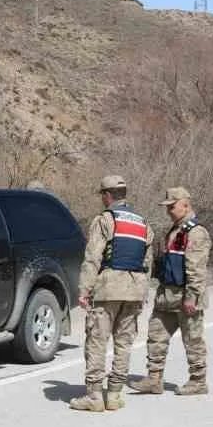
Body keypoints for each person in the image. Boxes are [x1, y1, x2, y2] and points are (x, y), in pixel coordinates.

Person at [71, 174, 154, 412]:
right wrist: (143, 290)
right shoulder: (143, 223)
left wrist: (84, 290)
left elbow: (93, 257)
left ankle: (95, 395)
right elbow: (148, 261)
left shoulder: (104, 220)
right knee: (124, 343)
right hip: (135, 288)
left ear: (107, 196)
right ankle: (115, 394)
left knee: (97, 340)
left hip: (109, 287)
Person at [134, 187, 212, 396]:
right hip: (167, 295)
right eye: (167, 207)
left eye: (172, 206)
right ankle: (154, 379)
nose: (168, 210)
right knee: (156, 335)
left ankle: (198, 380)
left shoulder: (196, 232)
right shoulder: (175, 230)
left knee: (192, 339)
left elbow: (196, 269)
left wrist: (191, 297)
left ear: (185, 205)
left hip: (185, 296)